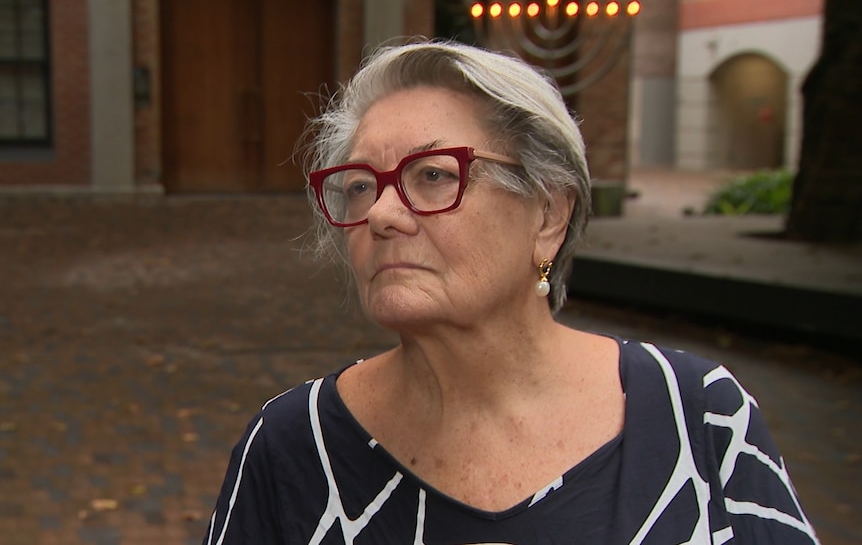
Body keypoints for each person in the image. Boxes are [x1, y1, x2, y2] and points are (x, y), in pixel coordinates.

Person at [202, 39, 819, 544]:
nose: (382, 213)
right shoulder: (292, 443)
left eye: (434, 174)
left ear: (547, 214)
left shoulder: (698, 415)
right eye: (361, 185)